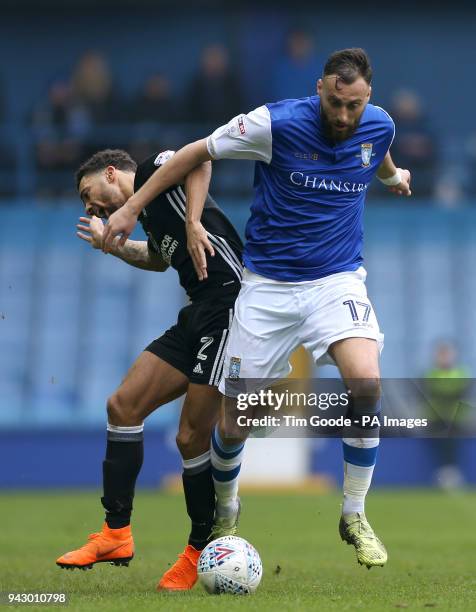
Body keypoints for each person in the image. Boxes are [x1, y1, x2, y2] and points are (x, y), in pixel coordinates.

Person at [102, 48, 412, 569]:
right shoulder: (274, 123)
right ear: (319, 89)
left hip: (335, 282)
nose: (343, 116)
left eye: (353, 106)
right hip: (267, 288)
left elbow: (378, 153)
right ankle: (227, 510)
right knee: (234, 421)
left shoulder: (377, 125)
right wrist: (132, 207)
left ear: (368, 99)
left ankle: (354, 513)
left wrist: (395, 178)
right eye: (335, 103)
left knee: (366, 383)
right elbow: (194, 153)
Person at [55, 149, 243, 591]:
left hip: (230, 306)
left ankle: (198, 550)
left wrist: (194, 220)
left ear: (111, 173)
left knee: (190, 436)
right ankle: (115, 534)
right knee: (123, 405)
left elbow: (202, 158)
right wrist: (115, 248)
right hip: (198, 312)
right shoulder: (150, 215)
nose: (88, 207)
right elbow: (159, 259)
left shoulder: (155, 170)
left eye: (88, 193)